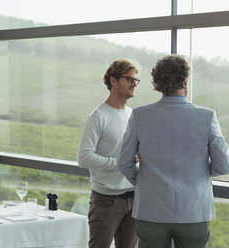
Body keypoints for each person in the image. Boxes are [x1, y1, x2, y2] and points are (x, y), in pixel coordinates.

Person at [118, 54, 229, 248]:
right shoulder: (207, 116)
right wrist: (198, 171)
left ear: (158, 84)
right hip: (194, 211)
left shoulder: (139, 116)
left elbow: (123, 163)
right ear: (185, 81)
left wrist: (145, 180)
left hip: (151, 210)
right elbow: (224, 165)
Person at [77, 58, 141, 248]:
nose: (134, 84)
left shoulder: (132, 115)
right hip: (106, 201)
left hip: (134, 196)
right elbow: (84, 157)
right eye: (129, 79)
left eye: (136, 80)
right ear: (113, 81)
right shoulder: (97, 117)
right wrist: (120, 162)